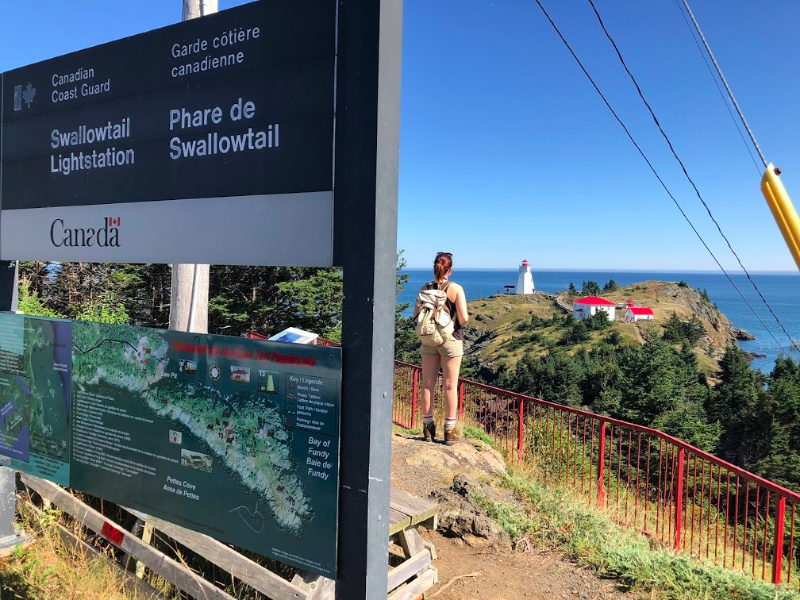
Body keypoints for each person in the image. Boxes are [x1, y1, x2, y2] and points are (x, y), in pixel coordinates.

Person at [412, 252, 469, 445]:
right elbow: (464, 318)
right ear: (450, 270)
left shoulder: (424, 288)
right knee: (450, 386)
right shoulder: (455, 289)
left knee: (427, 384)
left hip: (428, 340)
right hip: (450, 340)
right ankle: (449, 430)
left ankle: (428, 428)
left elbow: (415, 315)